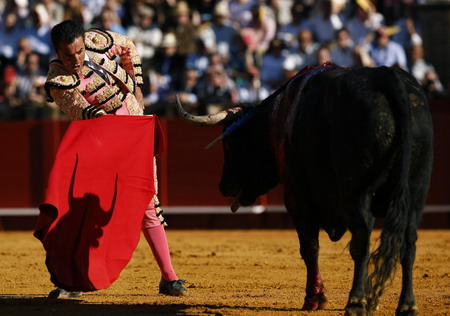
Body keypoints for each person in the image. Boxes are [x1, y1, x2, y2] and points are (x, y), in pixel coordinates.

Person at [43, 20, 187, 298]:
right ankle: (72, 282)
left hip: (136, 136)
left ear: (85, 41)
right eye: (67, 55)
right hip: (102, 145)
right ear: (57, 53)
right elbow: (83, 111)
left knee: (148, 201)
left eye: (79, 51)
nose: (75, 60)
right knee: (86, 210)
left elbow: (129, 46)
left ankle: (169, 278)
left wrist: (138, 87)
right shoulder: (58, 80)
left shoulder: (97, 40)